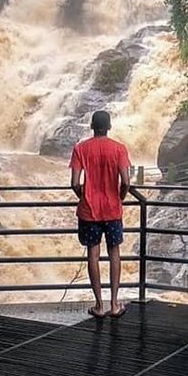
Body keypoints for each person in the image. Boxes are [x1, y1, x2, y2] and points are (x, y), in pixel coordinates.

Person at [70, 109, 131, 318]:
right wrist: (119, 196)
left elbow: (75, 183)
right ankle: (115, 304)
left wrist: (84, 195)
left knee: (93, 256)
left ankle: (99, 305)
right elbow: (126, 181)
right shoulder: (119, 149)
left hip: (89, 211)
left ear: (91, 126)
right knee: (115, 253)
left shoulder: (80, 149)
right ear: (110, 126)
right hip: (113, 210)